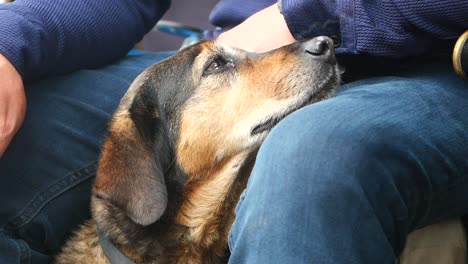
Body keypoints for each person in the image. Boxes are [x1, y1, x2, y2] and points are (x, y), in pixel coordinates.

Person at [0, 0, 467, 263]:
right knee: (22, 140)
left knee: (311, 155)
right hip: (236, 56)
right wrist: (7, 46)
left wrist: (309, 15)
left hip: (429, 65)